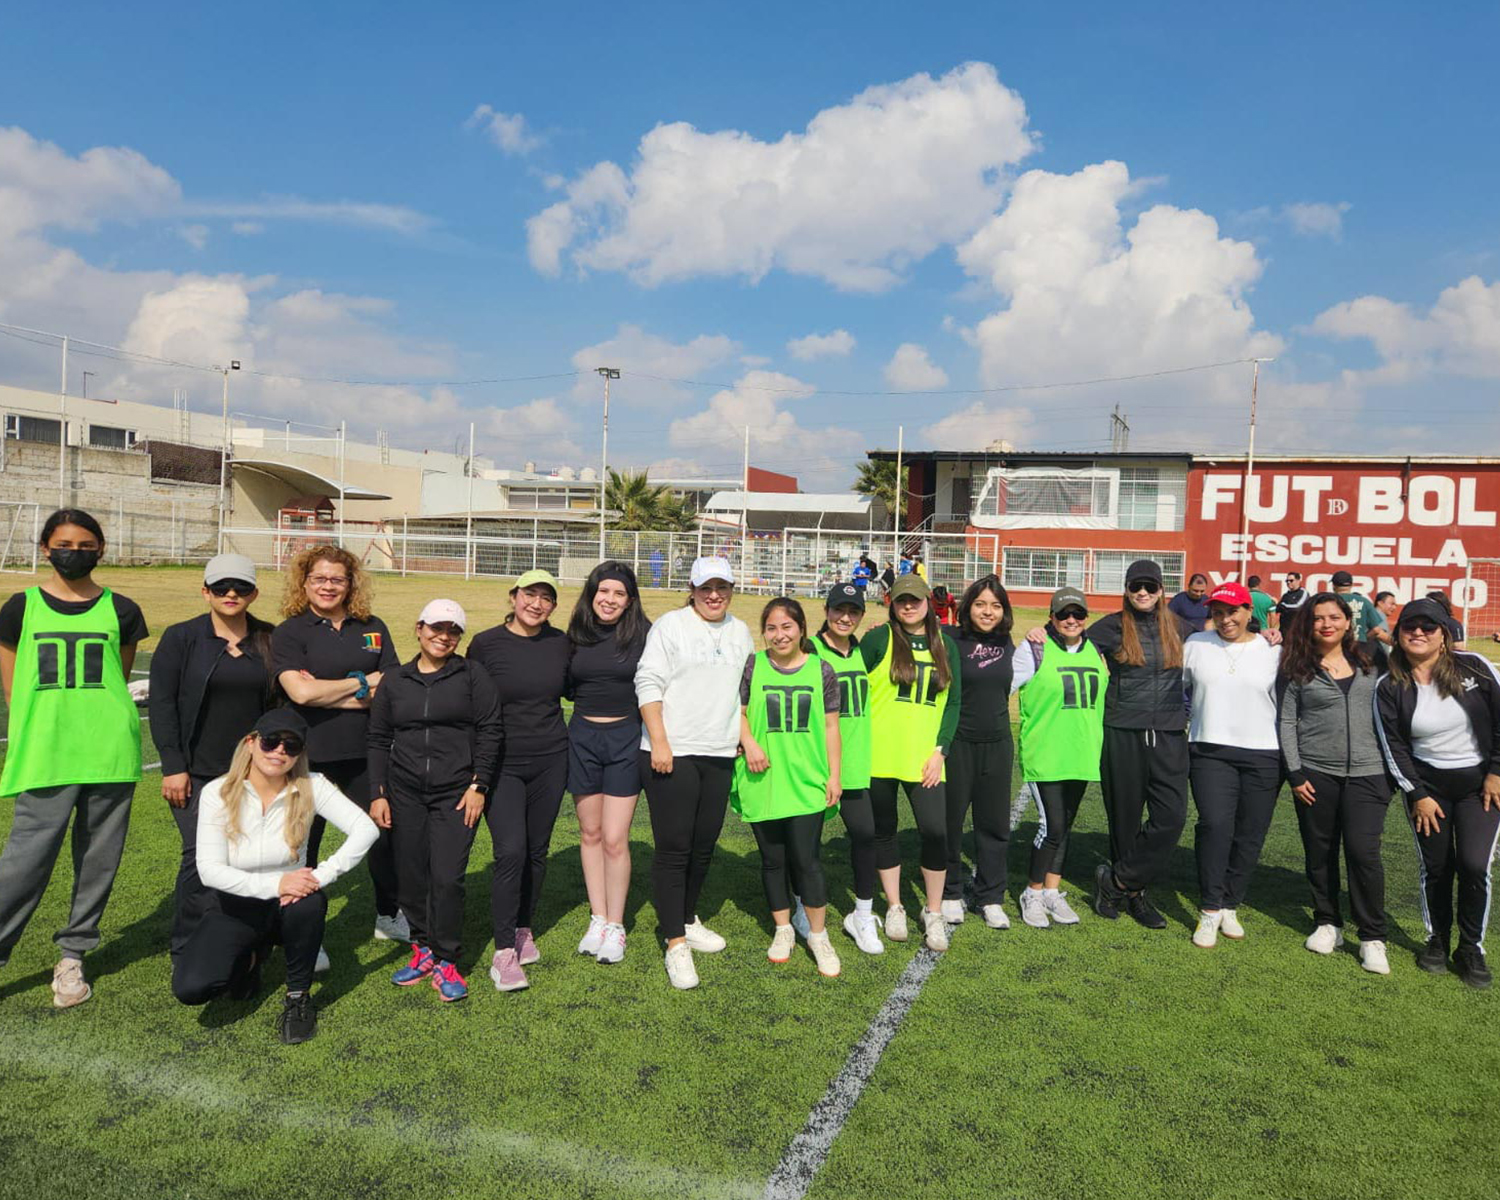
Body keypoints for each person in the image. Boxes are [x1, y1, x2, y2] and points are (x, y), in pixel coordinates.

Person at [0, 509, 145, 1008]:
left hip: (109, 751)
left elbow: (117, 679)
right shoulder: (20, 607)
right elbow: (13, 689)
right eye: (63, 544)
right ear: (45, 548)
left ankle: (73, 955)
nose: (74, 553)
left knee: (97, 862)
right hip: (47, 752)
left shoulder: (122, 609)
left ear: (100, 550)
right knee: (24, 862)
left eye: (85, 545)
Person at [173, 711, 377, 1043]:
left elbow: (365, 829)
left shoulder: (313, 785)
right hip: (236, 902)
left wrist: (319, 877)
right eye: (271, 741)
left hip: (291, 901)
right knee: (191, 988)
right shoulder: (217, 792)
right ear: (251, 743)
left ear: (299, 754)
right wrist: (276, 884)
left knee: (309, 904)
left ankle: (298, 997)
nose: (280, 751)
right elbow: (209, 871)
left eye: (291, 745)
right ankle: (252, 958)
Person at [368, 600, 501, 1002]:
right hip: (404, 792)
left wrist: (479, 785)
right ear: (419, 628)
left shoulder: (472, 675)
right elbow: (378, 738)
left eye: (453, 631)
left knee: (446, 877)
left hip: (456, 793)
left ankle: (446, 958)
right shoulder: (396, 680)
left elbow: (490, 730)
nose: (444, 637)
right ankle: (423, 946)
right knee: (411, 876)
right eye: (436, 628)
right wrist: (378, 793)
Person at [635, 556, 754, 989]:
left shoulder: (741, 631)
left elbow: (743, 691)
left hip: (719, 753)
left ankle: (687, 917)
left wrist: (742, 735)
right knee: (674, 848)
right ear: (692, 589)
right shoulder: (670, 626)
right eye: (706, 588)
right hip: (673, 752)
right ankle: (675, 943)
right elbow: (647, 682)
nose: (714, 595)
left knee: (703, 846)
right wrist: (660, 741)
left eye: (722, 587)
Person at [149, 554, 276, 959]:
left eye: (241, 587)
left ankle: (247, 943)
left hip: (255, 774)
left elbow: (282, 703)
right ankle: (189, 946)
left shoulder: (270, 639)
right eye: (221, 587)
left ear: (254, 593)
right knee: (201, 858)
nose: (231, 593)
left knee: (250, 858)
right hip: (198, 774)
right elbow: (163, 704)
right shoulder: (181, 638)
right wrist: (174, 767)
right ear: (206, 592)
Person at [1375, 597, 1500, 989]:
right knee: (1437, 866)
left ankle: (1470, 948)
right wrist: (1418, 794)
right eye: (1409, 626)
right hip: (1429, 792)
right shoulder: (1389, 685)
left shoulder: (1475, 667)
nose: (1418, 632)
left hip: (1480, 788)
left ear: (1443, 634)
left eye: (1428, 626)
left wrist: (1496, 772)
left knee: (1475, 865)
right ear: (1398, 634)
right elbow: (1393, 747)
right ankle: (1437, 940)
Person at [1277, 592, 1392, 974]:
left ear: (1347, 621)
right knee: (1319, 851)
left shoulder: (1372, 657)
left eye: (1334, 617)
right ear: (1308, 624)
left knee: (1363, 853)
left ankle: (1372, 937)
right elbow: (1286, 721)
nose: (1326, 624)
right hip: (1315, 774)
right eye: (1318, 618)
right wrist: (1295, 774)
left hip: (1369, 773)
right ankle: (1328, 923)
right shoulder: (1297, 665)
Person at [469, 569, 570, 992]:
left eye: (546, 598)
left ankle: (523, 928)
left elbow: (578, 689)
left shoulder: (561, 643)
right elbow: (470, 702)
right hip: (503, 764)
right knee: (510, 851)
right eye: (530, 594)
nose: (536, 604)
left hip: (551, 759)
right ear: (513, 597)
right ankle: (503, 951)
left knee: (536, 851)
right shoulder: (485, 644)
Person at [1083, 559, 1197, 929]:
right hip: (1122, 732)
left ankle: (1117, 881)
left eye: (1150, 586)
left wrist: (1267, 634)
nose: (1143, 592)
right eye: (1136, 586)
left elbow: (1221, 643)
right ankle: (1135, 896)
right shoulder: (1112, 626)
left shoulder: (1180, 627)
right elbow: (1070, 644)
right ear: (1127, 590)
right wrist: (1043, 633)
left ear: (1162, 590)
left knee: (1172, 818)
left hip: (1169, 734)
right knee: (1124, 821)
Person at [735, 598, 843, 976]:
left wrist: (834, 775)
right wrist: (749, 743)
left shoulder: (822, 669)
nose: (779, 635)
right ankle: (783, 929)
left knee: (806, 860)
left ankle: (817, 935)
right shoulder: (753, 665)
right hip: (762, 777)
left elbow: (831, 727)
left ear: (801, 629)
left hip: (806, 780)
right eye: (771, 628)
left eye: (786, 627)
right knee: (773, 860)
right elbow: (738, 713)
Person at [860, 573, 962, 952]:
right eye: (901, 600)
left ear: (927, 603)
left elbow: (953, 703)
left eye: (915, 600)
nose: (908, 606)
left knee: (935, 831)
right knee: (884, 831)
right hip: (879, 755)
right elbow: (850, 677)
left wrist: (940, 751)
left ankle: (932, 911)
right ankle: (895, 906)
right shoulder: (879, 639)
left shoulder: (946, 646)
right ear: (893, 603)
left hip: (926, 759)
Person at [1181, 584, 1283, 949]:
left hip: (1264, 753)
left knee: (1250, 832)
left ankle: (1230, 904)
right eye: (1219, 612)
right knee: (1215, 825)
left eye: (1233, 611)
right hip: (1209, 750)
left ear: (1249, 612)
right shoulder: (1196, 644)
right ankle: (1210, 908)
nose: (1226, 619)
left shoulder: (1273, 650)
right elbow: (1175, 688)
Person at [566, 562, 651, 965]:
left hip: (625, 738)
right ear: (592, 593)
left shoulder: (645, 635)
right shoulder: (575, 634)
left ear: (630, 600)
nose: (610, 600)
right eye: (604, 591)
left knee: (615, 838)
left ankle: (616, 925)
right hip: (582, 736)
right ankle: (597, 917)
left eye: (619, 593)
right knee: (590, 833)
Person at [1012, 586, 1105, 929]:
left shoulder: (1095, 649)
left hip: (1081, 753)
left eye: (1078, 613)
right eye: (1064, 613)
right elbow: (1000, 686)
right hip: (1046, 753)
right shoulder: (1033, 648)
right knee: (1051, 826)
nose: (1071, 619)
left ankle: (1052, 891)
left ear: (1086, 617)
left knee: (1064, 827)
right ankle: (1032, 893)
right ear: (1051, 617)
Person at [808, 583, 882, 954]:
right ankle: (803, 906)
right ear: (827, 611)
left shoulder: (863, 650)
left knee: (865, 835)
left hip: (853, 763)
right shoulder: (810, 649)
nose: (845, 617)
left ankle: (862, 914)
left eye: (853, 611)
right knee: (807, 845)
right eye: (839, 609)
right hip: (814, 764)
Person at [943, 574, 1017, 930]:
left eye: (996, 605)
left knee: (994, 825)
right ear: (968, 607)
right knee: (950, 822)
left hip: (998, 744)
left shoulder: (1010, 643)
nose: (988, 612)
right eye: (980, 604)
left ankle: (991, 897)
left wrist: (1041, 632)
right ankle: (950, 892)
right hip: (958, 744)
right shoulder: (949, 639)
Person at [1330, 571, 1385, 648]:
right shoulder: (1364, 601)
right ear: (1351, 585)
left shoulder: (1329, 601)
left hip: (1335, 646)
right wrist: (1364, 638)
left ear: (1333, 585)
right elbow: (1376, 630)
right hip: (1358, 646)